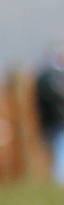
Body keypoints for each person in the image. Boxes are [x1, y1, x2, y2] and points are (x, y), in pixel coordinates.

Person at [34, 48, 64, 184]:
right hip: (56, 122)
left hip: (56, 122)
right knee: (59, 152)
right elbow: (55, 98)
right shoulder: (49, 76)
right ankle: (60, 179)